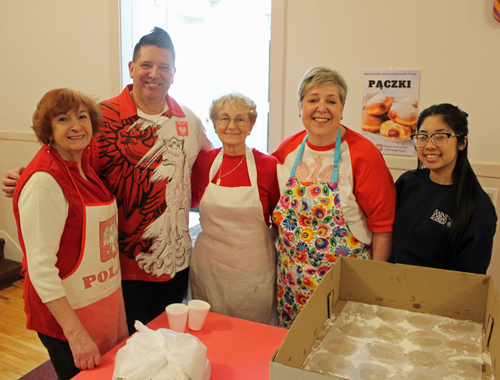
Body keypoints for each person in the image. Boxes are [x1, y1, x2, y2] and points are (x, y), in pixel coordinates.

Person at [3, 27, 212, 335]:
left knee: (170, 342)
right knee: (129, 350)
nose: (154, 74)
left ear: (174, 73)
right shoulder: (99, 117)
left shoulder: (188, 120)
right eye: (146, 65)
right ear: (131, 68)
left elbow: (212, 165)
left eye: (164, 67)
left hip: (176, 262)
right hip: (119, 268)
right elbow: (67, 165)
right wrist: (27, 177)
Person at [12, 88, 128, 379]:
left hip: (98, 304)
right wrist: (75, 334)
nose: (76, 125)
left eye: (82, 116)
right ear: (48, 130)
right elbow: (40, 268)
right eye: (63, 119)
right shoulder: (44, 182)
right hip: (68, 318)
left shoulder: (84, 165)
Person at [272, 66, 396, 328]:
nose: (321, 108)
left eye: (331, 100)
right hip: (292, 287)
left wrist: (372, 285)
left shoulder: (364, 155)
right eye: (313, 99)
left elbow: (383, 226)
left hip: (345, 287)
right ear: (300, 106)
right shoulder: (286, 152)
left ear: (342, 108)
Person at [189, 93, 280, 324]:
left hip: (253, 275)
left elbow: (280, 219)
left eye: (240, 119)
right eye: (224, 118)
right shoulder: (204, 162)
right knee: (210, 333)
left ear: (251, 125)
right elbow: (189, 203)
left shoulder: (268, 166)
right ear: (214, 124)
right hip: (209, 270)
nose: (232, 126)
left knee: (252, 338)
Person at [392, 103, 497, 274]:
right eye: (423, 137)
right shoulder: (407, 182)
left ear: (462, 142)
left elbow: (469, 277)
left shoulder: (478, 205)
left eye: (440, 137)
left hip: (438, 296)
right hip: (391, 287)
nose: (430, 145)